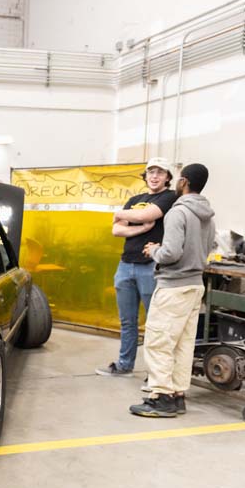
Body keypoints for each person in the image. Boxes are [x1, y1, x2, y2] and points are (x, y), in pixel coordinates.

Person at [130, 163, 215, 417]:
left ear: (184, 181)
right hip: (195, 285)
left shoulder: (178, 212)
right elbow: (206, 248)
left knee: (159, 341)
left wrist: (153, 250)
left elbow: (171, 253)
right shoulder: (208, 215)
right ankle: (177, 395)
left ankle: (161, 397)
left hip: (174, 286)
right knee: (182, 344)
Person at [96, 157, 177, 377]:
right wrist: (143, 229)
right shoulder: (134, 199)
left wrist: (121, 214)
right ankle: (125, 365)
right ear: (145, 175)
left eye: (160, 172)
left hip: (151, 266)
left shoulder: (169, 197)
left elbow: (145, 215)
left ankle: (157, 374)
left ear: (168, 177)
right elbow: (117, 230)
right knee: (127, 321)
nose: (154, 176)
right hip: (126, 264)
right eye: (151, 172)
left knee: (156, 323)